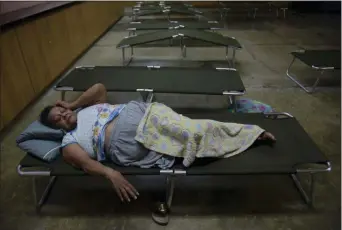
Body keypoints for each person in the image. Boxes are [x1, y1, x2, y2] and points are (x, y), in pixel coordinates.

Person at [39, 83, 276, 216]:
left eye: (61, 111)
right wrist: (110, 173)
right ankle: (223, 141)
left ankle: (253, 134)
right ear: (57, 128)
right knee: (191, 137)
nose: (63, 115)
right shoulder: (69, 142)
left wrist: (72, 104)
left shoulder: (86, 109)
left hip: (144, 114)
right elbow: (85, 163)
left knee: (198, 128)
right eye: (58, 119)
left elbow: (99, 87)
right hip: (130, 143)